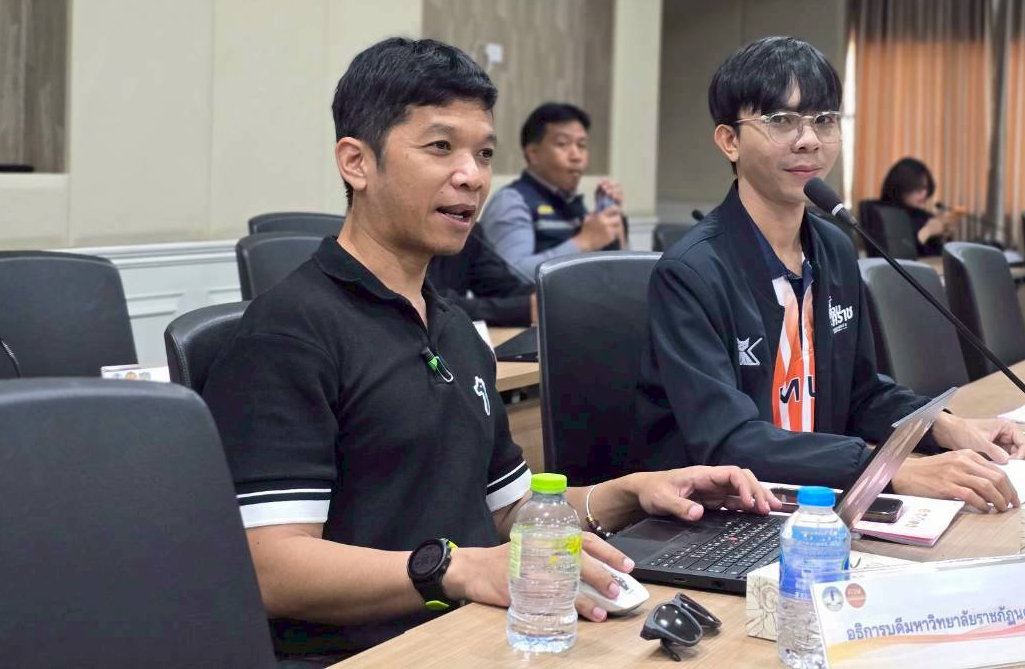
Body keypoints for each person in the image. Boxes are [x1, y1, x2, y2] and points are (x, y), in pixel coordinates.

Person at [203, 37, 777, 664]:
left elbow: (509, 514)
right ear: (356, 162)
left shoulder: (454, 329)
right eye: (440, 147)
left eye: (482, 154)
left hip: (477, 635)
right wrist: (458, 569)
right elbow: (269, 568)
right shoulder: (289, 331)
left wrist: (633, 492)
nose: (472, 176)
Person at [636, 36, 1025, 513]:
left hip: (821, 497)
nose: (809, 139)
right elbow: (729, 440)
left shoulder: (835, 248)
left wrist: (942, 425)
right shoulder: (691, 272)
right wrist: (888, 469)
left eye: (824, 120)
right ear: (730, 141)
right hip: (721, 513)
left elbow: (859, 393)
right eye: (781, 120)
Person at [479, 103, 624, 281]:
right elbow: (512, 275)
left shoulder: (574, 203)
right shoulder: (511, 201)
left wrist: (613, 220)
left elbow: (620, 274)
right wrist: (584, 242)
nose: (576, 155)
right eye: (562, 144)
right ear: (533, 153)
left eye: (582, 145)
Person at [426, 223, 535, 327]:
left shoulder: (468, 230)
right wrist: (524, 309)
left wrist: (542, 295)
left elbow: (501, 287)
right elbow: (431, 303)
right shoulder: (418, 234)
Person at [877, 157, 956, 256]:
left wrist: (943, 236)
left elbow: (938, 253)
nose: (924, 193)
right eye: (918, 188)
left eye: (926, 188)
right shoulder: (883, 216)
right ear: (900, 186)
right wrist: (927, 231)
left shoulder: (924, 216)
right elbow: (899, 254)